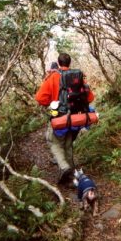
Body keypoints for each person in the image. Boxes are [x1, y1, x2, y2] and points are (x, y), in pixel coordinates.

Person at [35, 53, 94, 183]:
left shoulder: (53, 77)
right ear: (69, 63)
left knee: (53, 141)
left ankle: (64, 167)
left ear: (58, 62)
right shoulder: (77, 77)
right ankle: (73, 176)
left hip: (59, 118)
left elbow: (40, 98)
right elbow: (90, 97)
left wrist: (51, 103)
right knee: (68, 144)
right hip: (76, 119)